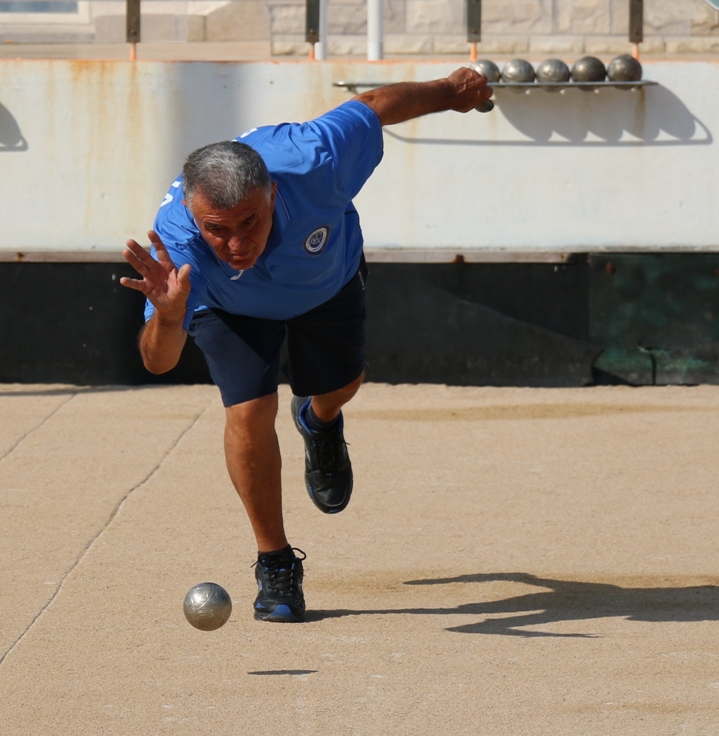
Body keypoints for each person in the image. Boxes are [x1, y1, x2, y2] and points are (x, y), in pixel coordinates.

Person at [121, 67, 492, 623]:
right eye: (218, 229)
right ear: (196, 216)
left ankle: (318, 421)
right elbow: (158, 361)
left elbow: (374, 104)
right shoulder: (177, 242)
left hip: (326, 281)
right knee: (248, 412)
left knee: (341, 385)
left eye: (251, 221)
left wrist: (450, 93)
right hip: (229, 308)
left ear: (273, 191)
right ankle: (276, 565)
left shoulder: (314, 157)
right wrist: (169, 318)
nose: (236, 243)